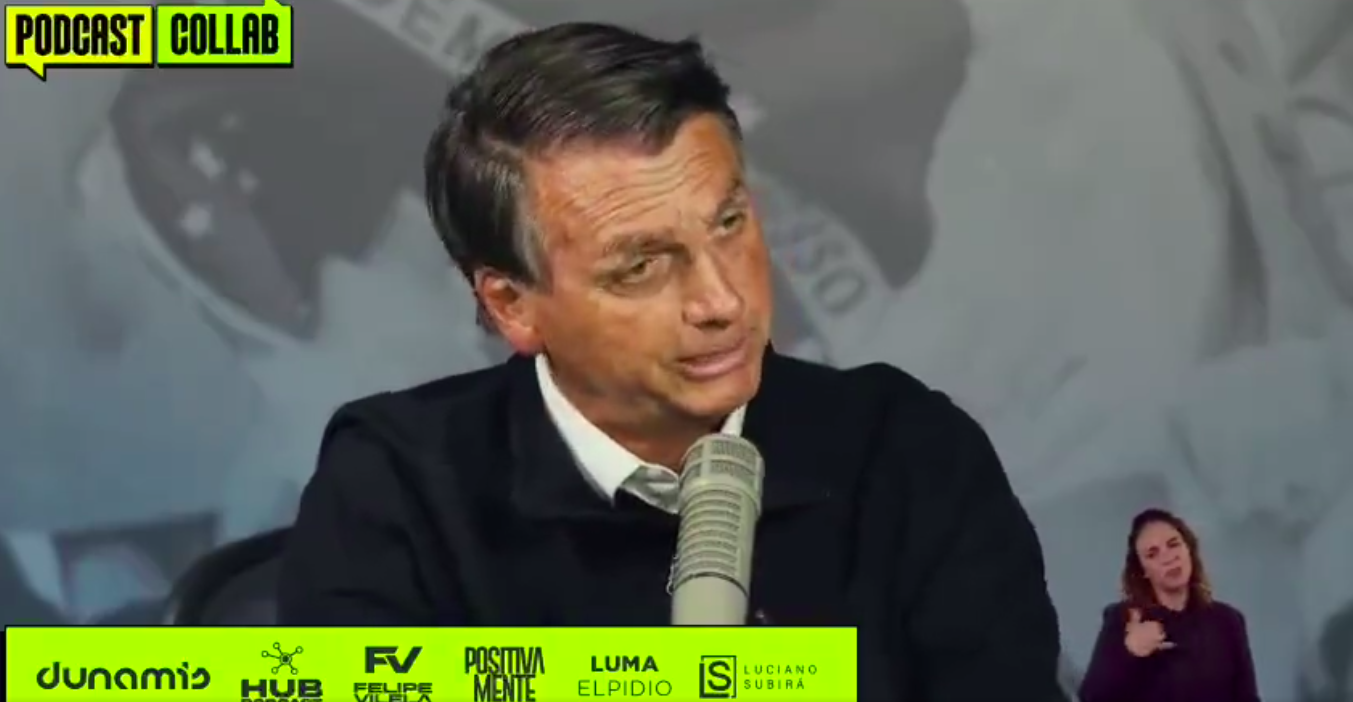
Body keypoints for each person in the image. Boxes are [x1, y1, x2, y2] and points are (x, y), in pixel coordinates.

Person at [277, 22, 1066, 700]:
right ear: (513, 306)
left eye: (728, 223)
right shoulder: (399, 482)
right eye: (640, 267)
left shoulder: (908, 450)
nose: (722, 300)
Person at [1079, 508, 1260, 702]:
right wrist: (1130, 653)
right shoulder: (1124, 620)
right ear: (1143, 571)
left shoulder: (1228, 621)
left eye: (1173, 545)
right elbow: (1091, 697)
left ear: (1188, 549)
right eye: (1152, 554)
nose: (1168, 558)